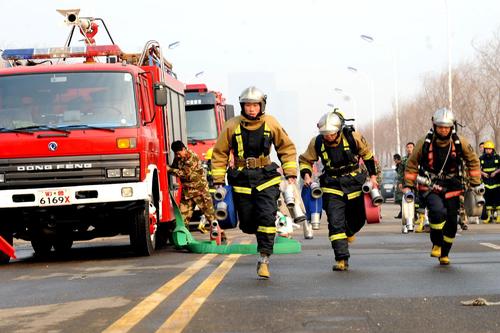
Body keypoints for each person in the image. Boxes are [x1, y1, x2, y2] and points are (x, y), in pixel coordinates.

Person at [211, 86, 297, 279]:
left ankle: (264, 259)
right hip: (241, 180)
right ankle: (259, 232)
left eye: (255, 105)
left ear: (262, 105)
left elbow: (286, 147)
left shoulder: (271, 123)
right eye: (248, 105)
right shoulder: (231, 125)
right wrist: (218, 180)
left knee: (266, 218)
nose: (251, 109)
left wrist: (290, 171)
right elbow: (219, 153)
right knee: (249, 225)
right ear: (242, 106)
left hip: (266, 178)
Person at [299, 109, 377, 271]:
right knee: (335, 222)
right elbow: (305, 160)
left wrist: (373, 177)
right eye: (325, 133)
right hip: (331, 185)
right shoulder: (317, 142)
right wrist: (307, 176)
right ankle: (341, 259)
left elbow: (368, 156)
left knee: (358, 219)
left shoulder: (353, 137)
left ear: (339, 130)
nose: (328, 137)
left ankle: (348, 232)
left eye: (332, 133)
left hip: (355, 183)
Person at [403, 108, 481, 265]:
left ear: (452, 127)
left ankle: (445, 253)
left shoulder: (460, 142)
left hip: (453, 185)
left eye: (446, 127)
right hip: (430, 185)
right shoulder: (423, 142)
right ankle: (437, 243)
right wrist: (408, 186)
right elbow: (412, 164)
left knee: (452, 221)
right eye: (440, 126)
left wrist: (475, 183)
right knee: (437, 212)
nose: (443, 130)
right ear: (434, 125)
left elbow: (473, 161)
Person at [166, 141, 220, 236]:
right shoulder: (178, 158)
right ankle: (184, 239)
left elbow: (186, 175)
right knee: (182, 219)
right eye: (175, 154)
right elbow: (174, 167)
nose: (177, 156)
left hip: (200, 192)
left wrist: (169, 170)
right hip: (188, 193)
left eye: (178, 153)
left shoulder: (192, 157)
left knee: (210, 216)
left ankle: (220, 235)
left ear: (184, 149)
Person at [480, 140, 500, 223]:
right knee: (488, 200)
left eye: (489, 149)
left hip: (496, 182)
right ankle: (489, 217)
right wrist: (483, 173)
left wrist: (495, 172)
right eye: (486, 149)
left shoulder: (497, 157)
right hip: (486, 182)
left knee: (498, 200)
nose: (487, 150)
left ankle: (498, 216)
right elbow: (477, 168)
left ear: (492, 149)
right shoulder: (481, 158)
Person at [393, 153, 404, 219]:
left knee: (401, 198)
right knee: (399, 199)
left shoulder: (402, 164)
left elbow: (401, 174)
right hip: (399, 182)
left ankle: (402, 213)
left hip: (402, 183)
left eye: (395, 160)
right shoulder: (398, 165)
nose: (394, 161)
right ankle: (401, 213)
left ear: (397, 159)